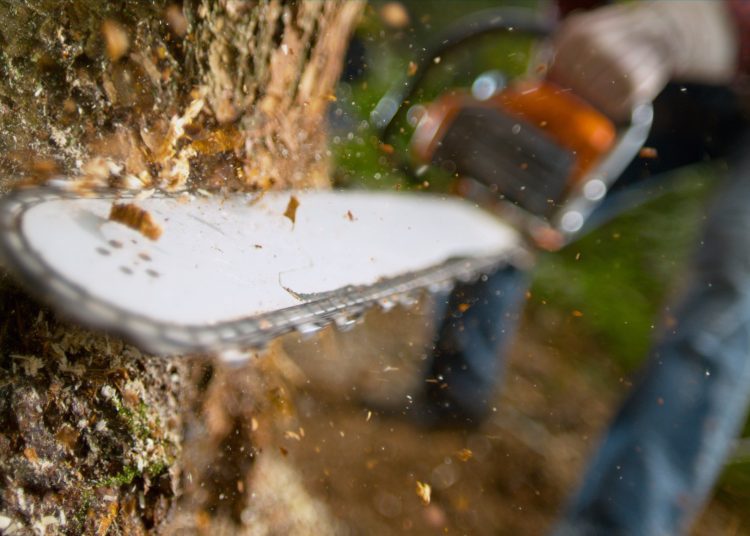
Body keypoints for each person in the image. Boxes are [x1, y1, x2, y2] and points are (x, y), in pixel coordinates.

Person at [419, 1, 750, 534]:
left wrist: (716, 23)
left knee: (729, 290)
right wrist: (570, 56)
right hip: (666, 57)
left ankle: (618, 525)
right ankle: (450, 394)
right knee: (521, 175)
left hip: (710, 35)